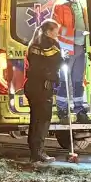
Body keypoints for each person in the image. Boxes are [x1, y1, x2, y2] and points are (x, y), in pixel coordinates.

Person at [52, 0, 91, 123]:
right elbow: (55, 28)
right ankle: (62, 109)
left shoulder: (81, 5)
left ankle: (79, 110)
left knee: (78, 81)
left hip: (81, 48)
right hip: (67, 48)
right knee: (64, 81)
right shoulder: (61, 6)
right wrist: (75, 34)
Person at [24, 19, 62, 163]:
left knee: (35, 119)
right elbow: (58, 60)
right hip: (42, 87)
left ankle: (34, 151)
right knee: (43, 120)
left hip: (32, 86)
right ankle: (39, 152)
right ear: (48, 31)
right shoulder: (50, 44)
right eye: (56, 32)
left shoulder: (34, 43)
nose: (57, 35)